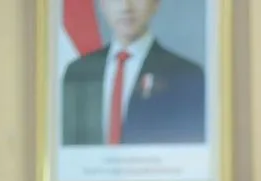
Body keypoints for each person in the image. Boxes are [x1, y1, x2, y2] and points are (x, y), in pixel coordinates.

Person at [63, 0, 206, 146]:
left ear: (155, 4)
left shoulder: (187, 75)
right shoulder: (77, 72)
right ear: (102, 5)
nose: (126, 7)